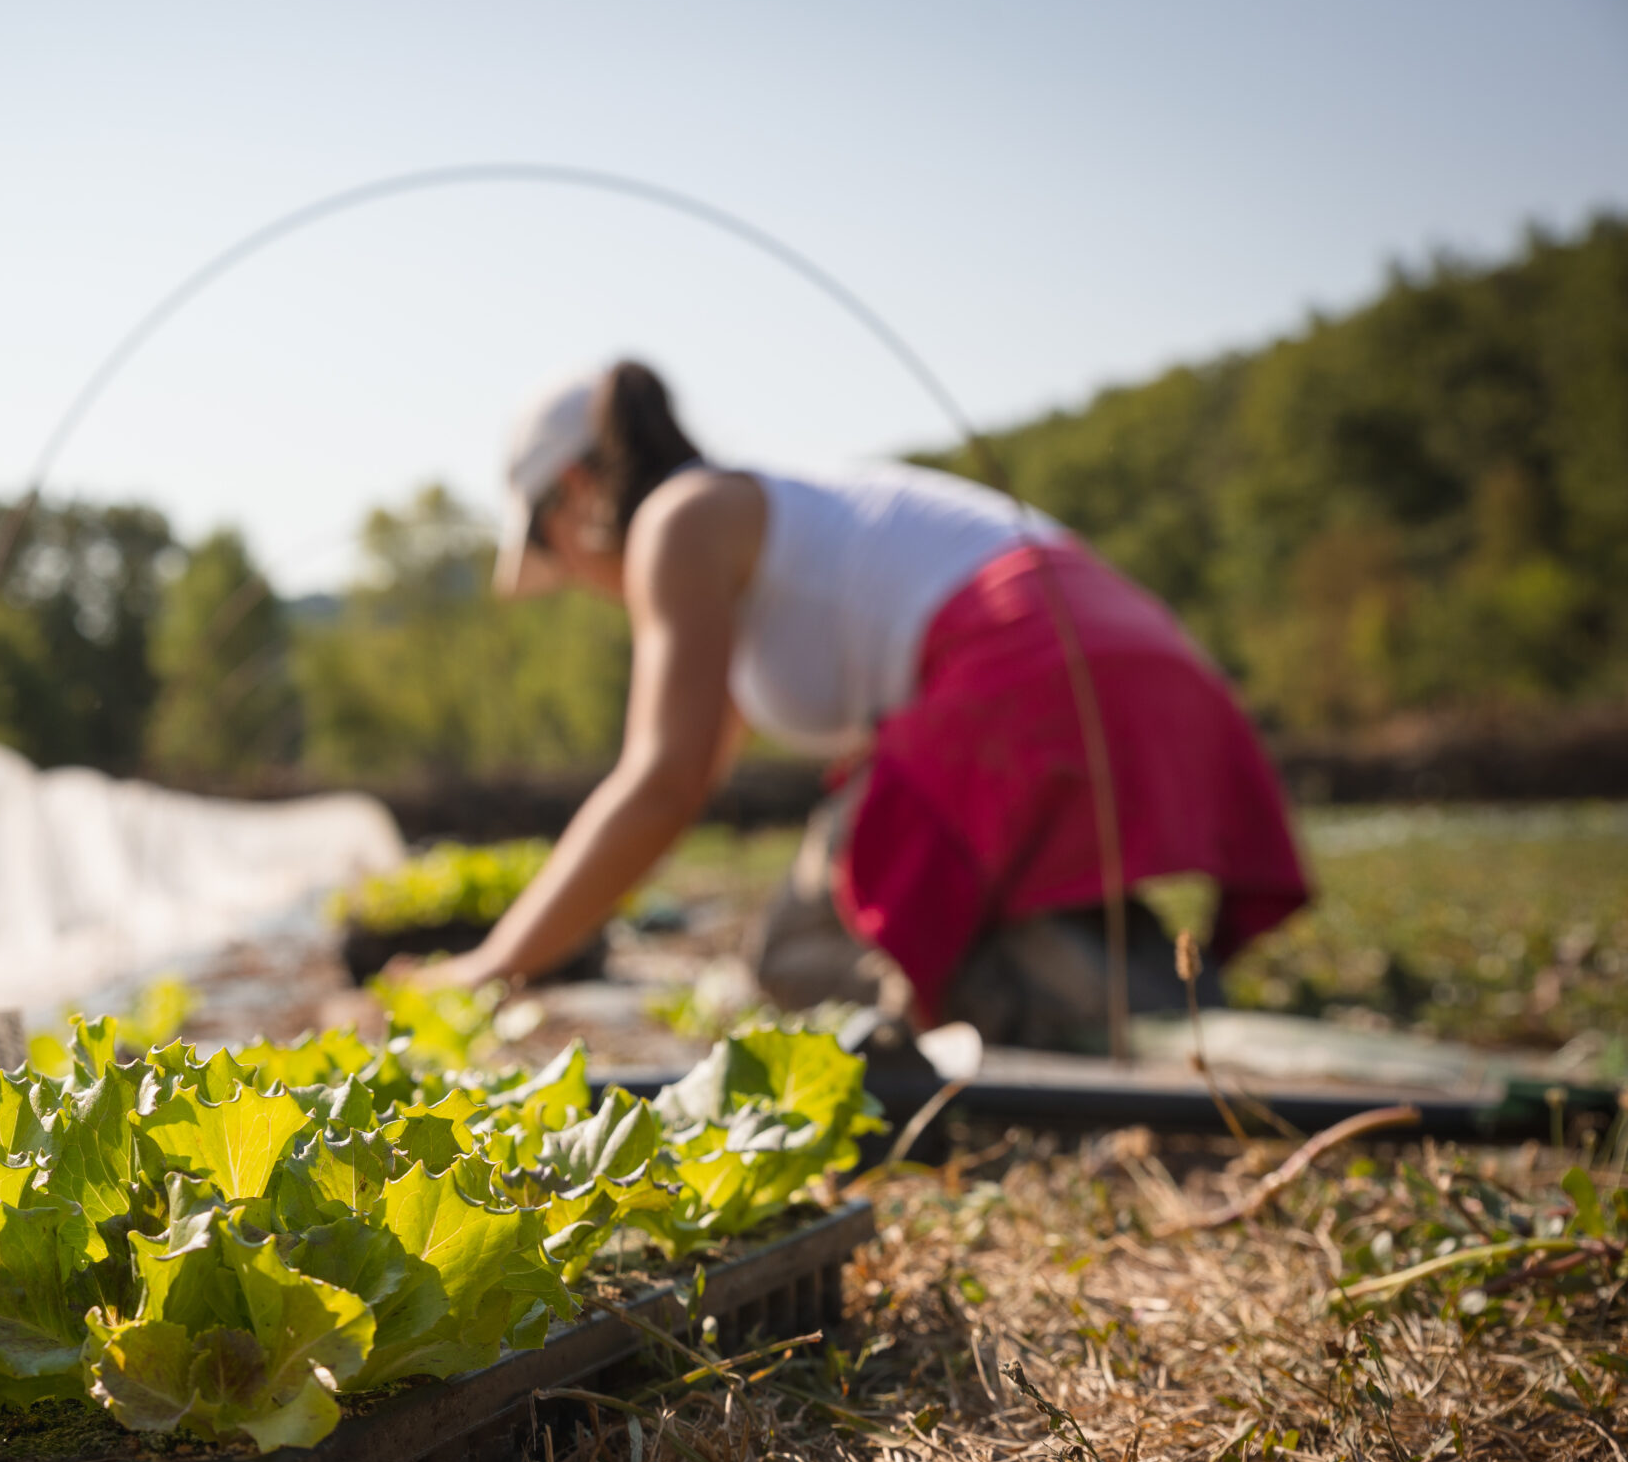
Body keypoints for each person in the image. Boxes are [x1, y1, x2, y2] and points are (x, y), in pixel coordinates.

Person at [406, 359, 1310, 1053]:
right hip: (1135, 662)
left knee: (805, 953)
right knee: (811, 927)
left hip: (1033, 676)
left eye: (554, 551)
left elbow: (659, 785)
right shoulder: (757, 516)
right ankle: (1118, 971)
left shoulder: (678, 521)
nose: (569, 578)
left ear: (574, 492)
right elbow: (678, 784)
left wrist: (491, 966)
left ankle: (1112, 1002)